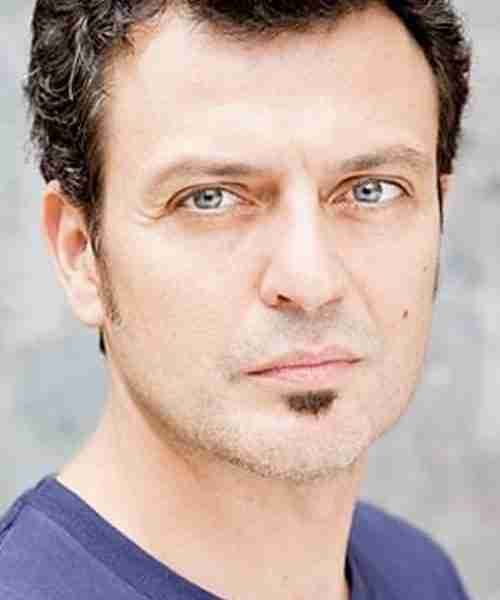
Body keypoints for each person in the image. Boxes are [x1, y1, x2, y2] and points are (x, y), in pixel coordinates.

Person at [0, 0, 472, 598]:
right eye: (210, 199)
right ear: (80, 254)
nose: (312, 283)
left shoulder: (420, 575)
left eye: (372, 190)